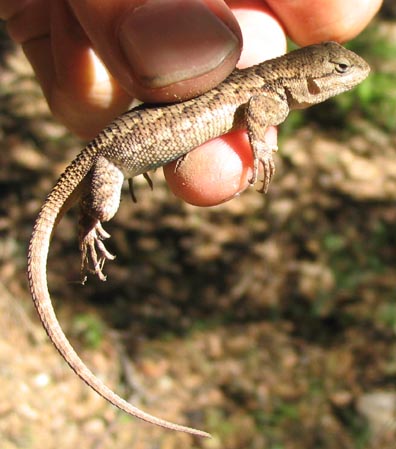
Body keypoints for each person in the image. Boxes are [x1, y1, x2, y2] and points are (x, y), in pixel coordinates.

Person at [0, 0, 381, 206]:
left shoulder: (271, 92)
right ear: (312, 80)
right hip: (123, 145)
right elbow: (257, 111)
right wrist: (261, 147)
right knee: (103, 204)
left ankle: (91, 221)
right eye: (341, 69)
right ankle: (91, 224)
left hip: (130, 138)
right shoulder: (272, 101)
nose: (350, 74)